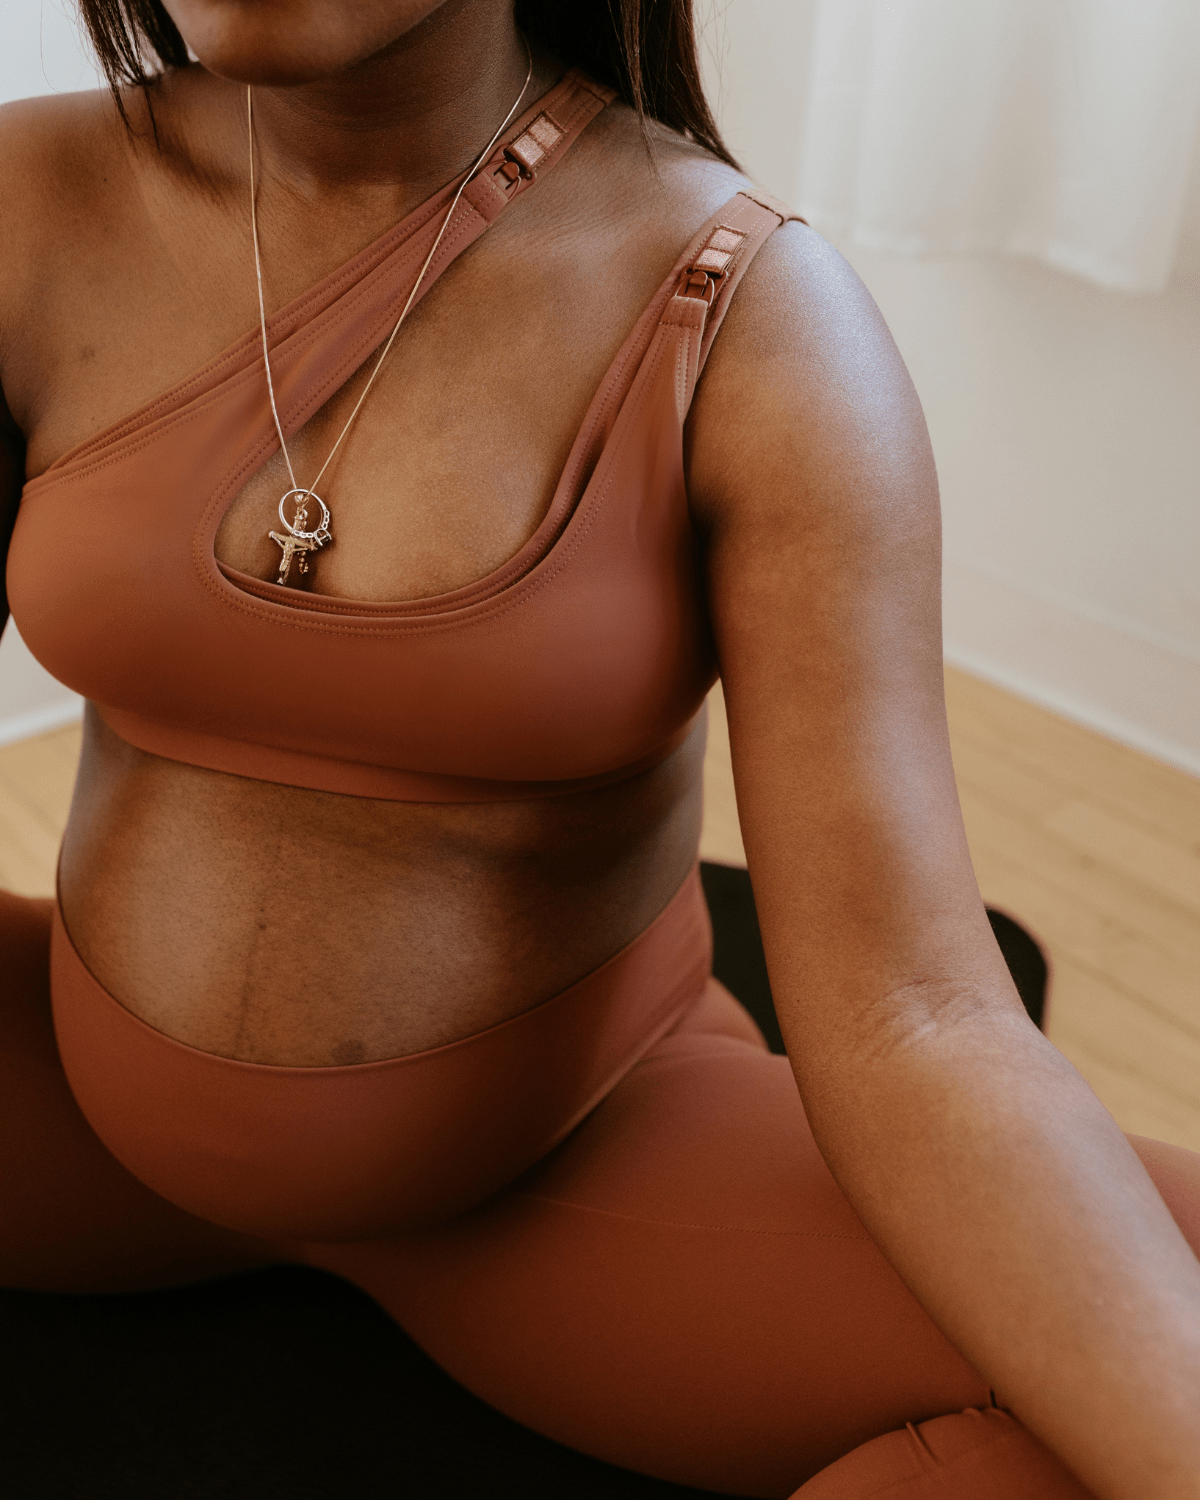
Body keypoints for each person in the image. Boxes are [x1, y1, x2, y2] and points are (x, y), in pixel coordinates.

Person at [2, 2, 1198, 1495]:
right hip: (66, 1101)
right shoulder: (23, 202)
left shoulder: (755, 318)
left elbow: (920, 1022)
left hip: (568, 1176)